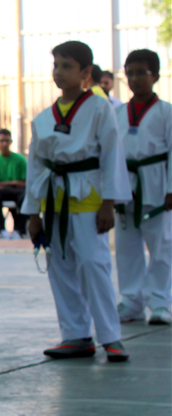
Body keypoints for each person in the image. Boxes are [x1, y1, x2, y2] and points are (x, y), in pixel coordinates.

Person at [23, 40, 131, 362]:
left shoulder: (99, 107)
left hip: (88, 198)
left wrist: (109, 202)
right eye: (56, 65)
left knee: (93, 265)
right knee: (60, 268)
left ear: (85, 72)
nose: (59, 72)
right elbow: (35, 167)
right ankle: (76, 335)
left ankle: (111, 337)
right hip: (54, 201)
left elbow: (112, 154)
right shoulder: (43, 118)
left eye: (67, 66)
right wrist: (33, 213)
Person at [112, 49, 171, 326]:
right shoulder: (117, 113)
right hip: (125, 185)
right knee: (126, 249)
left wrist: (171, 189)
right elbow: (109, 154)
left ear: (155, 76)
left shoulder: (167, 112)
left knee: (161, 248)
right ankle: (131, 301)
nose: (134, 79)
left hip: (157, 186)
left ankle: (160, 302)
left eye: (141, 73)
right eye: (130, 73)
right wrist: (110, 189)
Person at [0, 128, 28, 238]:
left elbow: (25, 182)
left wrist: (6, 184)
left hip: (17, 190)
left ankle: (19, 230)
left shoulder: (20, 159)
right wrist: (13, 183)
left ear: (11, 141)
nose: (5, 144)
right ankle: (0, 230)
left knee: (25, 197)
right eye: (2, 141)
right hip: (0, 190)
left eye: (7, 141)